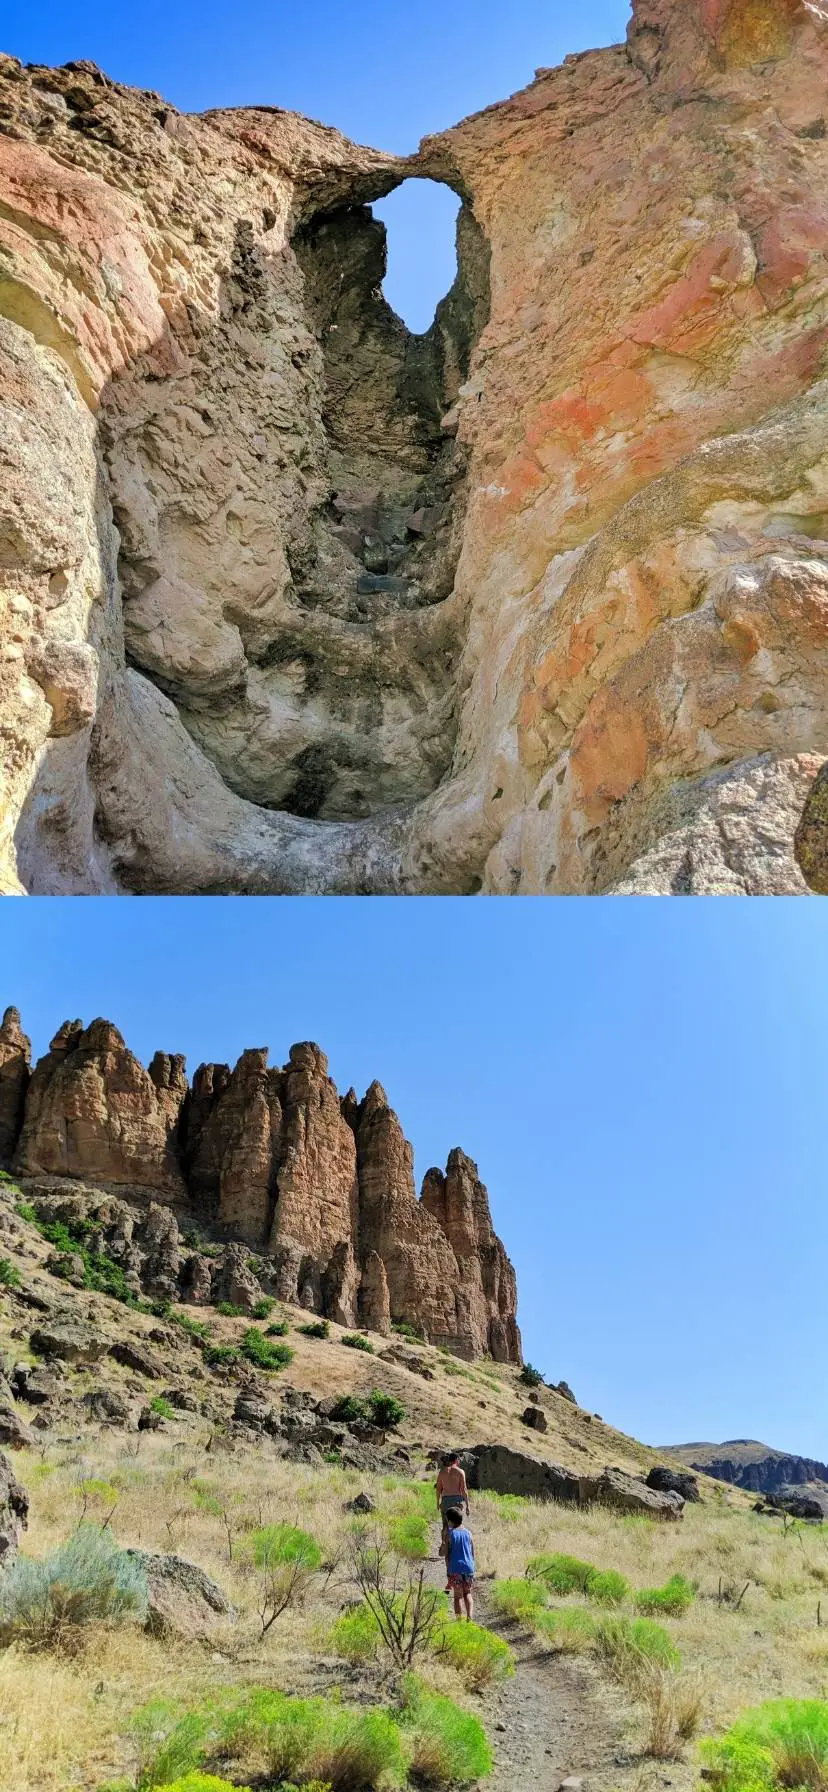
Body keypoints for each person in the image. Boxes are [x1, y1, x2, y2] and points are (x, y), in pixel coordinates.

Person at [436, 1450, 470, 1557]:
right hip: (456, 1501)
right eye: (459, 1459)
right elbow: (464, 1489)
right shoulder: (460, 1472)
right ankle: (455, 1548)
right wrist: (468, 1505)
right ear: (456, 1460)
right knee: (456, 1525)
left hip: (445, 1500)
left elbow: (438, 1489)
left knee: (445, 1525)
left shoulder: (442, 1472)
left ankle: (444, 1545)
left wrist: (438, 1502)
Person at [445, 1508, 475, 1622]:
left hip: (456, 1568)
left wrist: (448, 1572)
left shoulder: (450, 1534)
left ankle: (459, 1622)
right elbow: (473, 1553)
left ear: (451, 1521)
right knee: (467, 1593)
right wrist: (472, 1567)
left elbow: (447, 1555)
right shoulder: (469, 1533)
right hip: (469, 1568)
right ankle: (470, 1617)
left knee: (457, 1596)